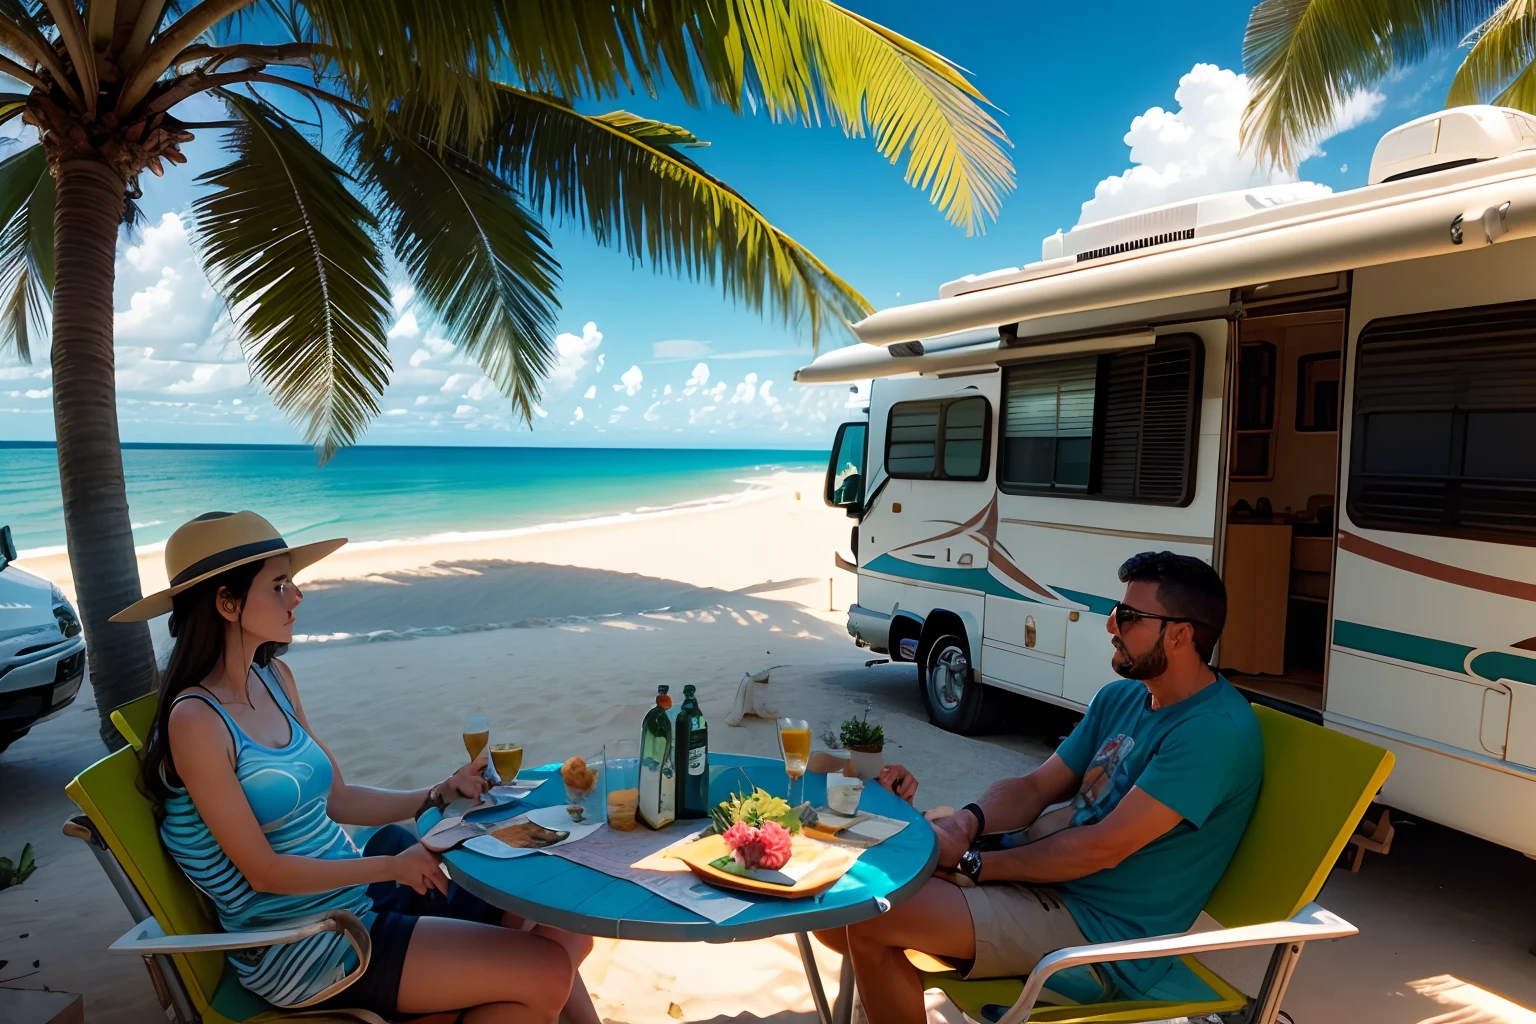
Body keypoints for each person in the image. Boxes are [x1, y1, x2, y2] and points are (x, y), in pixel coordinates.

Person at [116, 511, 599, 1024]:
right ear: (227, 602)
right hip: (311, 943)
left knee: (567, 928)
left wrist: (439, 793)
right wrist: (391, 866)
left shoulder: (274, 677)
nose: (296, 597)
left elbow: (338, 797)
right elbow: (262, 871)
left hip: (358, 896)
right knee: (544, 970)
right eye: (279, 585)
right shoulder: (196, 720)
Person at [815, 551, 1262, 1024]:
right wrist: (969, 824)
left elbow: (1100, 850)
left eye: (1128, 617)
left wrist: (974, 864)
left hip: (1098, 932)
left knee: (865, 916)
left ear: (1180, 634)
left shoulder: (1211, 732)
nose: (1111, 625)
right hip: (1040, 885)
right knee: (839, 902)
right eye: (1116, 611)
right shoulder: (1123, 697)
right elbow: (1034, 788)